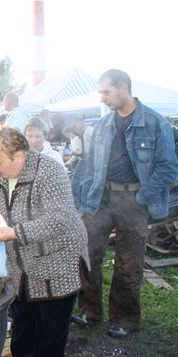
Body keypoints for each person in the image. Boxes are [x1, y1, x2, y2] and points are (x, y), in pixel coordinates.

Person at [0, 127, 89, 357]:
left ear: (20, 155)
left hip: (58, 254)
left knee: (52, 318)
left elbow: (60, 218)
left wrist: (16, 233)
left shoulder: (49, 170)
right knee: (23, 313)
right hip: (21, 258)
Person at [74, 69, 178, 338]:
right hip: (101, 199)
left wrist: (142, 199)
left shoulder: (155, 123)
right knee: (86, 254)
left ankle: (125, 319)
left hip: (134, 200)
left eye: (106, 92)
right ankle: (90, 310)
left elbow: (168, 169)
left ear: (124, 87)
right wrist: (84, 203)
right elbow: (89, 165)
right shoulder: (103, 124)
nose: (103, 98)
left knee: (128, 263)